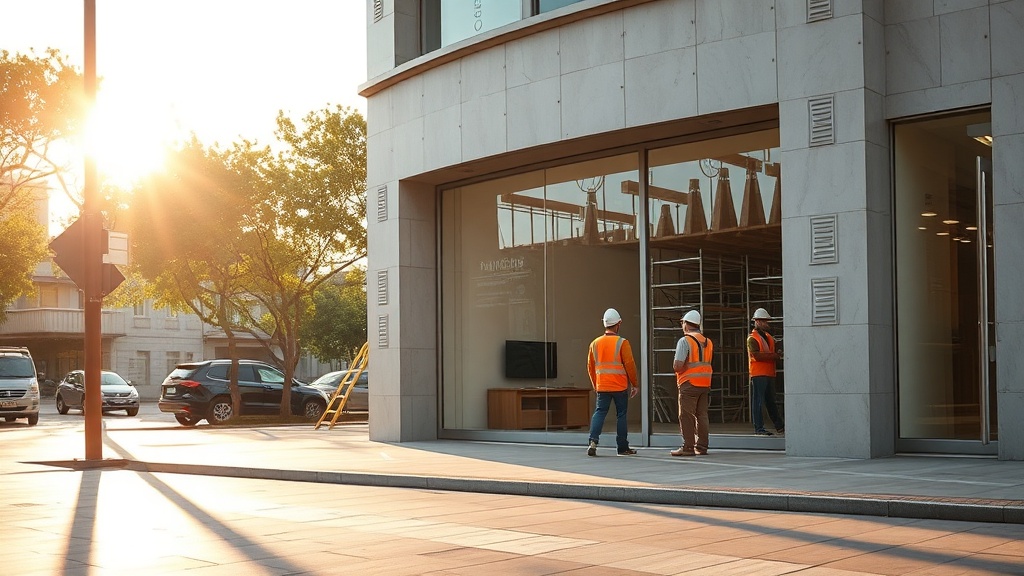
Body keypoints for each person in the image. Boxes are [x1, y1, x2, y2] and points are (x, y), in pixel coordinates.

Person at [586, 308, 639, 456]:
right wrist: (635, 384)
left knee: (600, 412)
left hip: (602, 385)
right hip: (619, 386)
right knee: (621, 415)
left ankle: (593, 441)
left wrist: (595, 384)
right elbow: (630, 365)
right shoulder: (622, 343)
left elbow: (590, 367)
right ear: (618, 324)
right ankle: (622, 448)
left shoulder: (594, 343)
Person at [671, 310, 713, 457]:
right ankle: (702, 446)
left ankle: (688, 447)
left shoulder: (685, 341)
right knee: (702, 415)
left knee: (686, 415)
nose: (682, 326)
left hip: (689, 383)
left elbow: (677, 365)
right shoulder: (708, 342)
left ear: (687, 325)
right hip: (705, 383)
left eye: (683, 323)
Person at [747, 308, 785, 436]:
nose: (766, 323)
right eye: (764, 321)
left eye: (766, 321)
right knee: (758, 401)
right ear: (757, 322)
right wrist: (775, 356)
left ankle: (779, 426)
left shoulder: (769, 337)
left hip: (769, 373)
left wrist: (777, 353)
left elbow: (772, 350)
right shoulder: (752, 338)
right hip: (758, 374)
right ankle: (759, 428)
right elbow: (757, 356)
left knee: (770, 401)